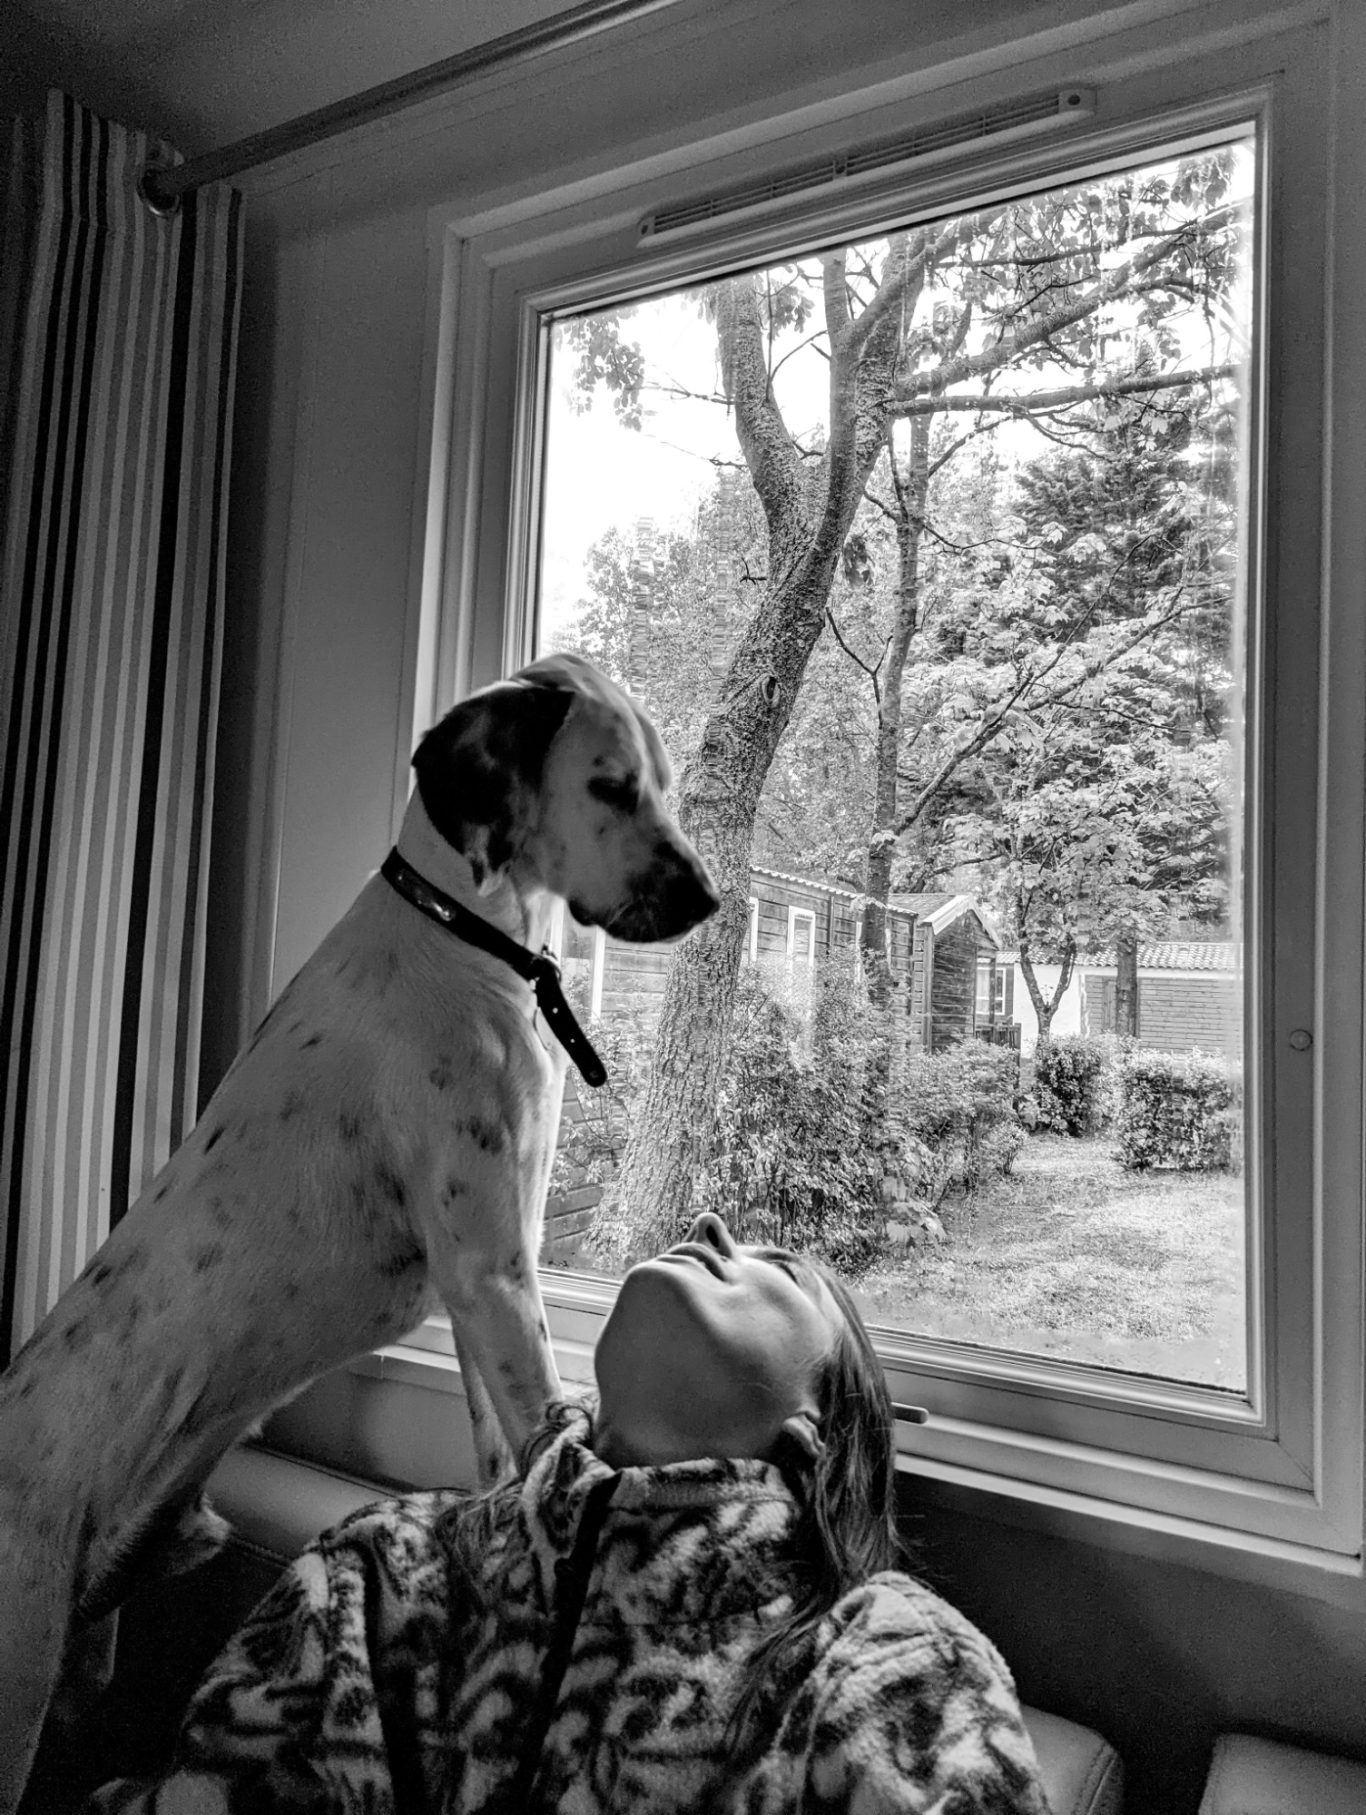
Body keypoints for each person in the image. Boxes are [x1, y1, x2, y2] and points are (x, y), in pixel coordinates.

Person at [87, 1213, 1049, 1813]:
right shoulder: (383, 1570)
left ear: (811, 1430)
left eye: (778, 1269)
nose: (710, 1222)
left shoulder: (880, 1666)